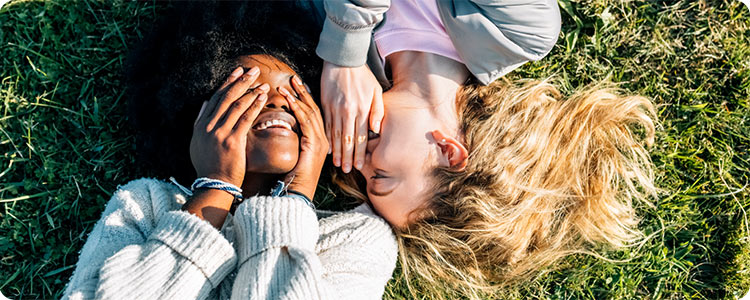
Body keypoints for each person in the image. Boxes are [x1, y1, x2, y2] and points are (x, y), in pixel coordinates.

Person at [301, 1, 658, 298]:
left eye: (363, 180)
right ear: (449, 152)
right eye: (380, 177)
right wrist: (345, 49)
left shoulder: (319, 80)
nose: (355, 159)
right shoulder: (518, 31)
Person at [62, 2, 397, 299]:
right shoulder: (142, 206)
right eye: (250, 91)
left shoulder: (358, 241)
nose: (279, 100)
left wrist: (296, 199)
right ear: (198, 115)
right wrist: (215, 187)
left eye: (297, 91)